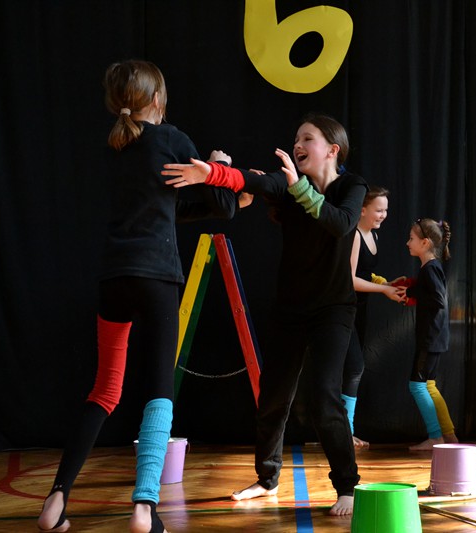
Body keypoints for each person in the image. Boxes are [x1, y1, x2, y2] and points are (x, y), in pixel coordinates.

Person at [37, 60, 242, 533]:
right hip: (156, 279)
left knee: (105, 391)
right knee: (159, 392)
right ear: (156, 99)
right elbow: (224, 208)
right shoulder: (172, 139)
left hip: (114, 277)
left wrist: (212, 188)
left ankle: (56, 497)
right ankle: (145, 508)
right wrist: (221, 168)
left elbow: (165, 209)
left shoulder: (114, 146)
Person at [162, 113, 366, 516]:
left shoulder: (351, 186)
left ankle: (347, 485)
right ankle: (267, 479)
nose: (297, 145)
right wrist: (213, 173)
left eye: (307, 138)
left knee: (325, 397)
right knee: (273, 398)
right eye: (296, 138)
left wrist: (298, 187)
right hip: (291, 309)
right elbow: (251, 181)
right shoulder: (286, 182)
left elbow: (341, 224)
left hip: (332, 309)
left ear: (332, 149)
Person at [342, 186, 406, 449]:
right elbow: (349, 280)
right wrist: (384, 290)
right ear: (362, 210)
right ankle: (344, 432)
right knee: (354, 367)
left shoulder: (373, 235)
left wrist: (386, 283)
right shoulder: (354, 235)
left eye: (386, 210)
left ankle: (344, 431)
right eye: (379, 210)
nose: (383, 215)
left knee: (350, 369)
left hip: (360, 310)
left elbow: (365, 274)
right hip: (343, 309)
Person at [403, 218, 458, 451]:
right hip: (434, 337)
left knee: (417, 386)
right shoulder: (430, 268)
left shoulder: (430, 269)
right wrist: (411, 288)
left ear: (425, 243)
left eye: (411, 239)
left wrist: (412, 292)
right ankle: (449, 436)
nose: (408, 243)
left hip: (430, 338)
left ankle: (436, 437)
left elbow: (438, 299)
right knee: (429, 386)